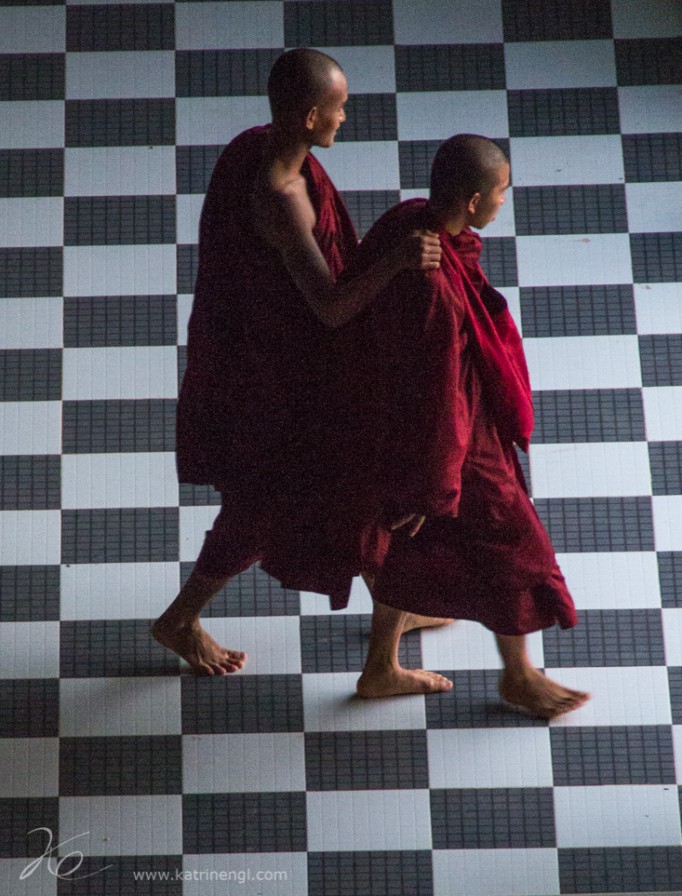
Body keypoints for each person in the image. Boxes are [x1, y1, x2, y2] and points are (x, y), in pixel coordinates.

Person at [152, 48, 441, 675]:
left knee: (348, 491)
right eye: (338, 108)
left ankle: (395, 604)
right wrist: (396, 261)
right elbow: (332, 309)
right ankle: (180, 620)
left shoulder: (257, 143)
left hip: (270, 357)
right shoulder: (282, 197)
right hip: (285, 381)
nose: (346, 117)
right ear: (310, 116)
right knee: (274, 504)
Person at [340, 134, 589, 718]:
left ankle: (381, 665)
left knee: (412, 540)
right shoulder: (431, 285)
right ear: (474, 201)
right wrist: (435, 482)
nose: (504, 202)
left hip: (411, 427)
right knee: (514, 545)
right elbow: (439, 392)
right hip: (450, 443)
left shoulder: (410, 221)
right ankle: (520, 677)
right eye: (501, 192)